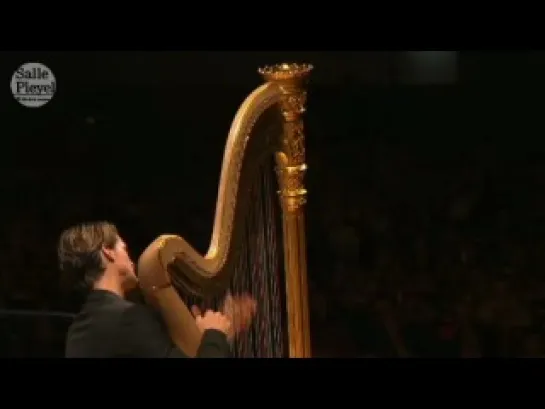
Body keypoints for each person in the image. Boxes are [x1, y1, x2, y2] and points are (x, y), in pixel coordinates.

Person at [59, 221, 256, 358]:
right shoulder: (129, 317)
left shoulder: (77, 330)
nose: (129, 257)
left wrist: (208, 337)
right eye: (123, 248)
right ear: (108, 252)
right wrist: (215, 333)